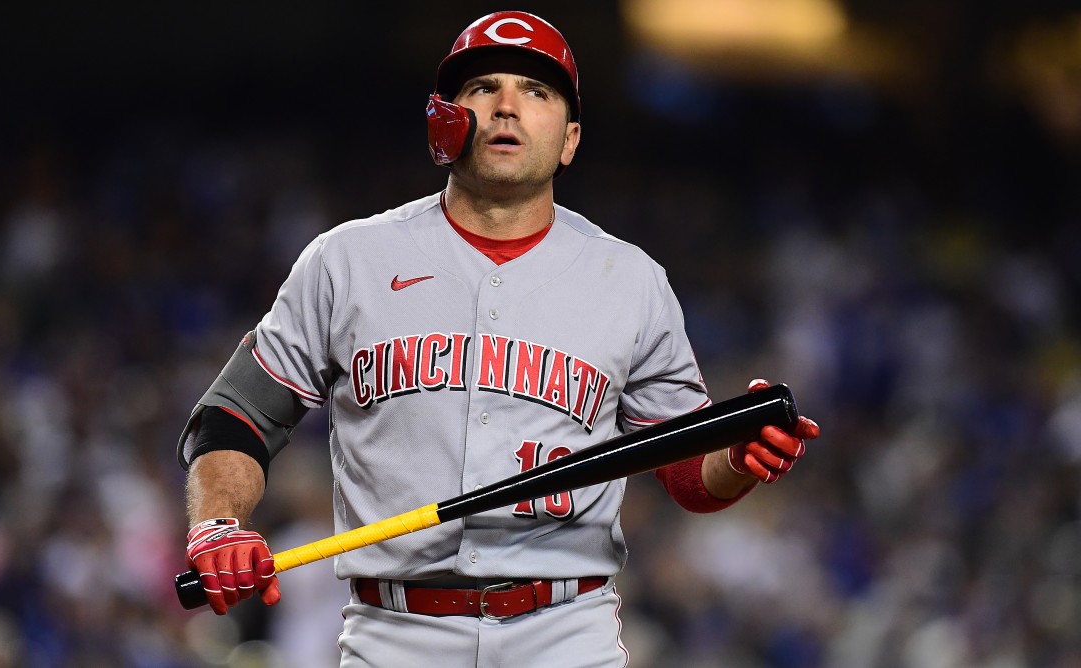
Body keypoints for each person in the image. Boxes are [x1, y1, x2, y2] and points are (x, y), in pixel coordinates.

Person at [177, 11, 820, 667]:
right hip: (396, 637)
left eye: (536, 91)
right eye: (484, 88)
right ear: (444, 119)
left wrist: (738, 459)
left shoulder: (630, 280)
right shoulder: (347, 261)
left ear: (569, 140)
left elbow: (688, 472)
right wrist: (218, 523)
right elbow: (238, 413)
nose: (508, 106)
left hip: (566, 636)